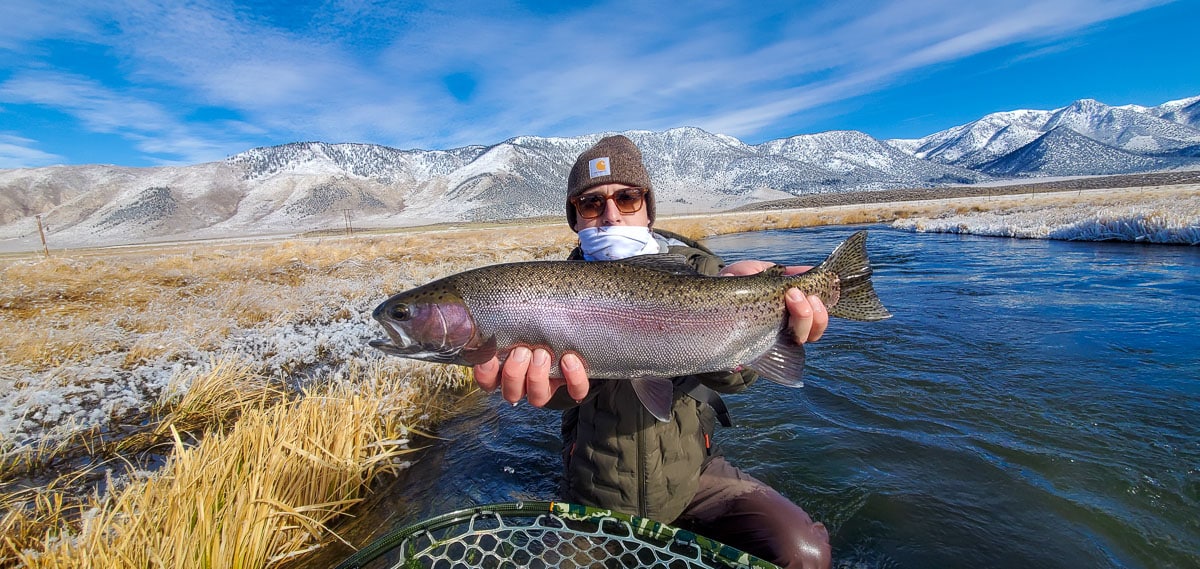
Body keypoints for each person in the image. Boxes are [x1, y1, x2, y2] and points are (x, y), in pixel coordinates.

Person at [472, 135, 833, 569]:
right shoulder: (545, 295)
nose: (609, 215)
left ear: (648, 207)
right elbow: (563, 395)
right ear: (576, 219)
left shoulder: (703, 273)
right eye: (591, 204)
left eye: (626, 198)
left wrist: (765, 320)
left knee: (804, 551)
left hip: (692, 478)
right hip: (594, 493)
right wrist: (546, 390)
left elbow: (740, 378)